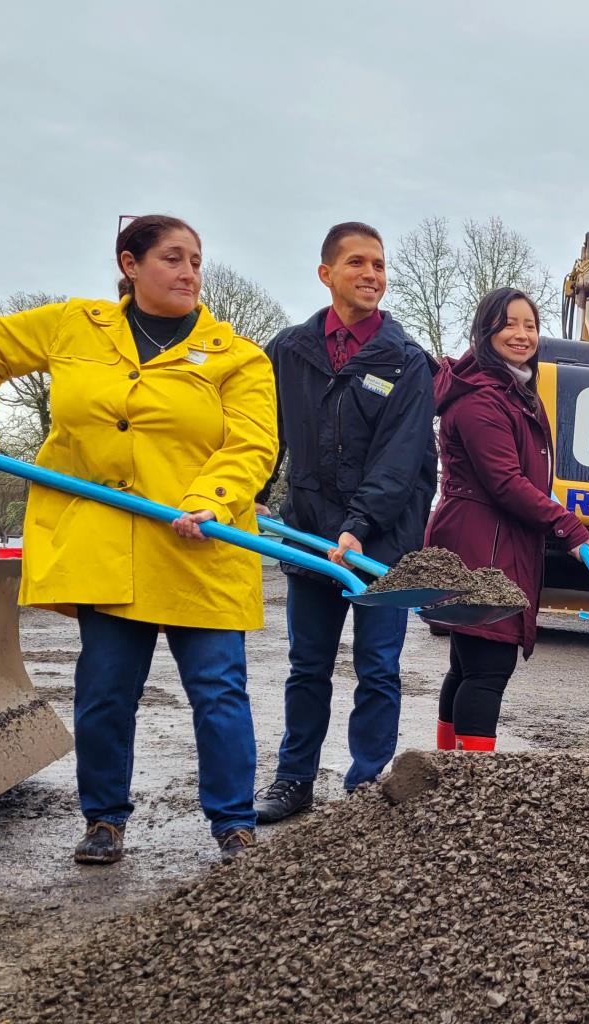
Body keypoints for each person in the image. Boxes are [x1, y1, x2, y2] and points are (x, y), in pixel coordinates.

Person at [0, 215, 278, 863]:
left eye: (196, 261)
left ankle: (234, 825)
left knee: (218, 691)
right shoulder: (75, 325)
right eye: (172, 258)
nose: (189, 272)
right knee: (104, 693)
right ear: (130, 263)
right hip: (106, 546)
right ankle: (104, 820)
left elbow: (252, 444)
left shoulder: (238, 355)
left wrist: (208, 498)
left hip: (196, 545)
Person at [251, 222, 437, 823]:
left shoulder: (407, 361)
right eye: (358, 263)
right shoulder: (288, 351)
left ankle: (366, 784)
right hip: (309, 535)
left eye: (380, 265)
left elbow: (401, 457)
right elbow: (264, 432)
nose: (372, 275)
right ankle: (294, 778)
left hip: (381, 540)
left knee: (377, 667)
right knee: (308, 665)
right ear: (326, 273)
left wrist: (359, 527)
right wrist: (249, 492)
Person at [425, 288, 589, 751]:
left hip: (488, 541)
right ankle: (470, 784)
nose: (522, 335)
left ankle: (446, 771)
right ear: (486, 330)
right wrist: (567, 524)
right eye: (509, 324)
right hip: (485, 548)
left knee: (467, 665)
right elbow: (506, 482)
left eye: (530, 326)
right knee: (487, 668)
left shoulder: (513, 390)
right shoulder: (483, 398)